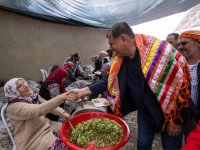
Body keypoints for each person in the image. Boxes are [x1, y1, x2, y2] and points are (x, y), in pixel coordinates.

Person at [66, 22, 191, 150]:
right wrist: (82, 92)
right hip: (144, 111)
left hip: (169, 113)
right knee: (142, 143)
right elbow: (109, 80)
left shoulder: (158, 52)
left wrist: (177, 121)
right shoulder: (122, 60)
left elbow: (182, 84)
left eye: (111, 43)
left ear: (123, 39)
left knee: (171, 147)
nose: (111, 49)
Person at [4, 78, 71, 150]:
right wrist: (61, 97)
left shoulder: (32, 96)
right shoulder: (13, 107)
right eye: (19, 86)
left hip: (47, 126)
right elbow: (38, 110)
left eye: (24, 82)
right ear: (13, 92)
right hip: (33, 139)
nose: (25, 86)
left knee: (71, 131)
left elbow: (47, 105)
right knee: (66, 146)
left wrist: (63, 113)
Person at [178, 30, 200, 137]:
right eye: (178, 44)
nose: (180, 47)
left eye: (184, 43)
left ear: (198, 43)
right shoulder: (175, 65)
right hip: (179, 118)